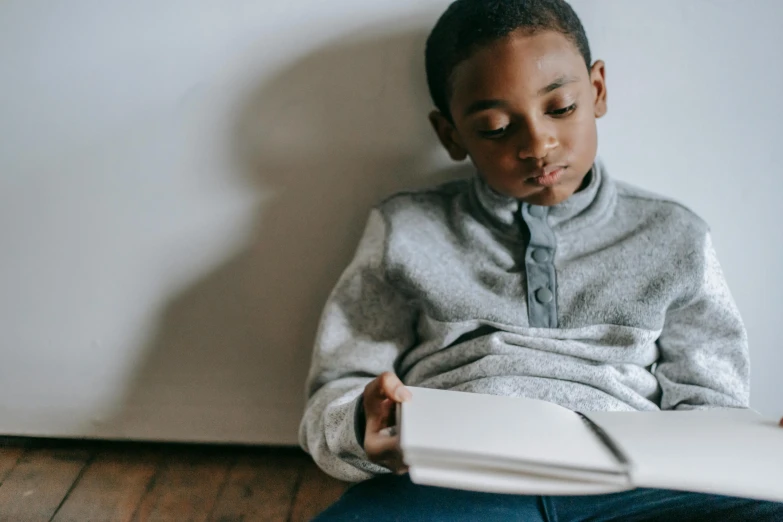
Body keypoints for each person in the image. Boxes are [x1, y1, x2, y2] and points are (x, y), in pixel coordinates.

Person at [298, 0, 783, 519]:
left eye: (560, 108)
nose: (538, 144)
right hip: (454, 479)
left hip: (639, 486)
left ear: (597, 91)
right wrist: (360, 423)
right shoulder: (407, 231)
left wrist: (749, 444)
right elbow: (336, 390)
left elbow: (709, 403)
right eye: (495, 127)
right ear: (452, 135)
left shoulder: (675, 235)